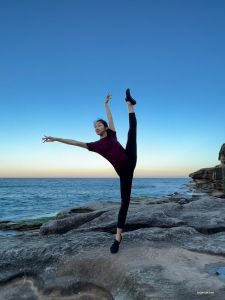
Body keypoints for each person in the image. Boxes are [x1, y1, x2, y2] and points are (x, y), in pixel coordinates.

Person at [42, 89, 137, 254]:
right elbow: (75, 142)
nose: (96, 128)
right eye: (95, 127)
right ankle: (118, 238)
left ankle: (129, 104)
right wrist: (56, 138)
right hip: (124, 171)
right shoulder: (95, 145)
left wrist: (105, 104)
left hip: (130, 157)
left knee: (132, 131)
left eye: (99, 125)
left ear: (105, 128)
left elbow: (110, 118)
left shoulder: (112, 135)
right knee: (125, 204)